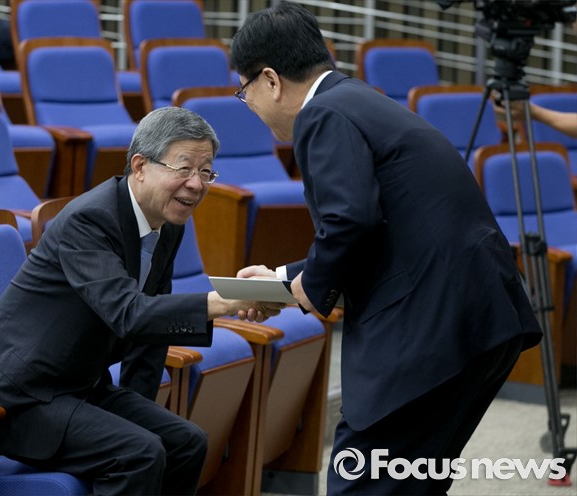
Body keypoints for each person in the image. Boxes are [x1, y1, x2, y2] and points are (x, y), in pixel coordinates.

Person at [231, 3, 542, 494]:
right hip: (477, 316)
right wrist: (283, 279)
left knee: (361, 481)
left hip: (431, 327)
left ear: (270, 80)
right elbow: (380, 230)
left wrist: (308, 288)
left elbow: (351, 219)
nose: (246, 104)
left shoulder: (321, 114)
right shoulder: (359, 99)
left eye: (243, 90)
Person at [0, 106, 284, 495]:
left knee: (186, 442)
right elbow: (129, 314)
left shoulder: (167, 224)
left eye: (206, 171)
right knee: (138, 453)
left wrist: (137, 415)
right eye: (184, 168)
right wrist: (223, 302)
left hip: (79, 387)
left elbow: (150, 334)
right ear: (140, 166)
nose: (196, 184)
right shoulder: (89, 220)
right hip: (20, 397)